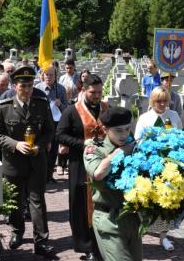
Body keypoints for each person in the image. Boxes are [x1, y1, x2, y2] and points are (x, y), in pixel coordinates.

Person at [0, 66, 55, 257]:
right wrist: (15, 144)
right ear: (14, 86)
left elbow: (49, 130)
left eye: (29, 85)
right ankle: (17, 232)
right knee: (16, 202)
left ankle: (41, 241)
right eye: (23, 86)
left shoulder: (41, 103)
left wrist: (40, 146)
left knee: (37, 201)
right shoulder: (4, 105)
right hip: (13, 162)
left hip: (36, 161)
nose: (27, 90)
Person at [56, 74, 107, 260]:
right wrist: (82, 143)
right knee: (80, 205)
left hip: (104, 165)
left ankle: (102, 242)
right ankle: (86, 246)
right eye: (93, 92)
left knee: (103, 203)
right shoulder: (71, 111)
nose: (97, 96)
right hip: (80, 165)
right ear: (83, 90)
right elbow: (60, 135)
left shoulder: (106, 109)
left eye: (100, 92)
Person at [84, 107, 142, 261]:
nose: (124, 134)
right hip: (109, 219)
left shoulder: (136, 147)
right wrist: (121, 151)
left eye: (127, 129)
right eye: (118, 130)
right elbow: (98, 173)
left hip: (133, 218)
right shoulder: (95, 148)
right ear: (105, 129)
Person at [134, 86, 182, 251]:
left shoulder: (173, 116)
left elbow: (179, 135)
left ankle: (164, 236)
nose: (162, 104)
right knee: (149, 198)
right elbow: (137, 140)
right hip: (150, 165)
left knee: (167, 199)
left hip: (170, 165)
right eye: (158, 101)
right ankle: (142, 231)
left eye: (165, 101)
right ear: (152, 101)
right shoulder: (145, 118)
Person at [36, 65, 68, 182]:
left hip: (56, 124)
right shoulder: (38, 88)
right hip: (41, 124)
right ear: (43, 76)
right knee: (42, 149)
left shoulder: (60, 89)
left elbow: (67, 109)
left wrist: (61, 105)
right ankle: (42, 175)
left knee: (53, 150)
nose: (48, 77)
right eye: (46, 74)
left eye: (51, 75)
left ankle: (49, 175)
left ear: (55, 76)